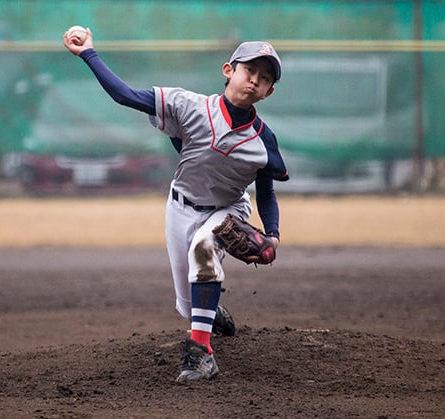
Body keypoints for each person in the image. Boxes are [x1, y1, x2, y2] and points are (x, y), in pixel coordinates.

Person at [63, 29, 289, 383]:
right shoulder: (189, 105)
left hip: (227, 210)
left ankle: (201, 356)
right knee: (187, 304)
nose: (254, 81)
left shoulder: (264, 140)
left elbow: (266, 191)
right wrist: (88, 53)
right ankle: (209, 314)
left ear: (268, 92)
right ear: (229, 70)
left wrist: (272, 234)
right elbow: (126, 96)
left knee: (204, 251)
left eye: (264, 79)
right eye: (250, 71)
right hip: (180, 207)